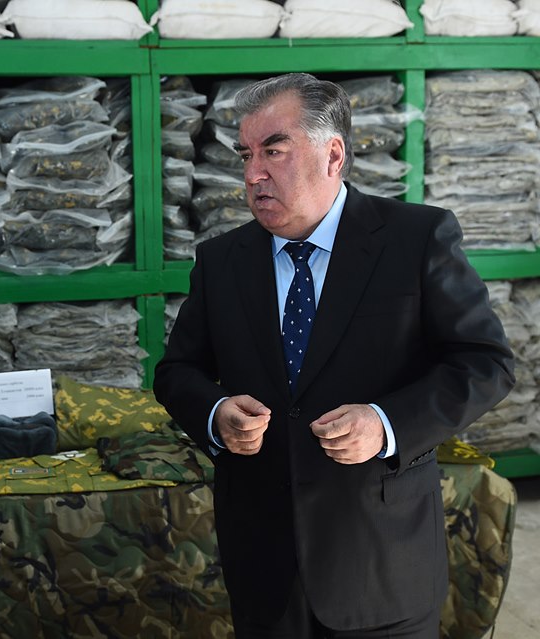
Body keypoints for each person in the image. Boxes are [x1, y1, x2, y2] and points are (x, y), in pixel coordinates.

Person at [153, 73, 515, 638]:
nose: (252, 174)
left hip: (381, 562)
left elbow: (485, 362)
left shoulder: (415, 238)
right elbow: (177, 371)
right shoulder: (222, 260)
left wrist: (386, 424)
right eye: (246, 155)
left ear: (334, 154)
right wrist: (215, 414)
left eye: (274, 151)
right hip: (265, 569)